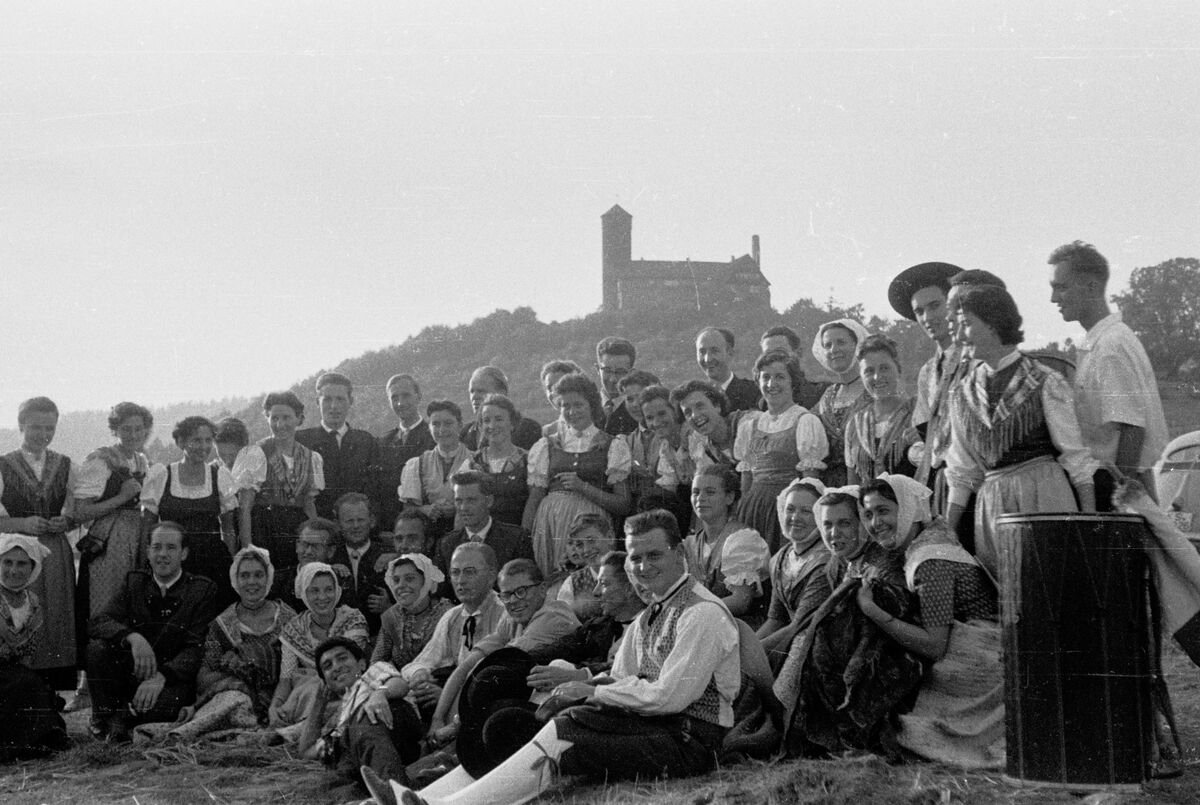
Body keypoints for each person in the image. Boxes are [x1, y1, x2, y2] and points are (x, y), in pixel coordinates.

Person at [365, 509, 740, 805]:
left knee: (566, 731)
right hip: (655, 725)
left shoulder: (701, 612)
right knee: (550, 720)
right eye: (636, 558)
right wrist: (583, 688)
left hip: (691, 741)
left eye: (654, 555)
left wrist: (588, 691)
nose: (643, 567)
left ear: (680, 554)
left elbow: (669, 697)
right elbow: (621, 677)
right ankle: (421, 797)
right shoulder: (651, 612)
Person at [945, 284, 1098, 581]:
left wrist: (1088, 521)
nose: (960, 335)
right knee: (1003, 597)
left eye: (966, 324)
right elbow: (962, 473)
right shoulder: (962, 394)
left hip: (1043, 498)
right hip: (991, 509)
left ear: (991, 324)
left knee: (1051, 590)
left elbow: (1076, 458)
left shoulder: (1044, 380)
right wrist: (947, 531)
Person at [856, 475, 1004, 769]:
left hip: (984, 654)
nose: (875, 523)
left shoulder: (930, 559)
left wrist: (872, 610)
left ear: (911, 509)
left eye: (884, 510)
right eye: (868, 514)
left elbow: (935, 645)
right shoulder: (927, 544)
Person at [772, 490, 922, 758]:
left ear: (861, 526)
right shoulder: (836, 564)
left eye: (844, 524)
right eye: (827, 525)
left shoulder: (881, 563)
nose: (834, 534)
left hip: (885, 655)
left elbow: (900, 613)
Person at [1049, 240, 1169, 507]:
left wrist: (1122, 503)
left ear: (1091, 287)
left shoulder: (1110, 347)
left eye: (1061, 287)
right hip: (1118, 482)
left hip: (1118, 486)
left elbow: (1132, 428)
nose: (1054, 298)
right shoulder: (1103, 342)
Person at [87, 523, 217, 741]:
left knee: (168, 707)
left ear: (184, 554)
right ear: (147, 552)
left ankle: (120, 719)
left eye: (171, 548)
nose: (163, 555)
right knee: (96, 650)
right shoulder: (134, 582)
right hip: (135, 673)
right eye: (156, 547)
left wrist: (162, 676)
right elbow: (99, 621)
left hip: (172, 679)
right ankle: (107, 718)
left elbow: (196, 647)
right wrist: (133, 638)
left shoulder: (201, 590)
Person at [427, 558, 580, 737]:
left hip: (554, 706)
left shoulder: (554, 616)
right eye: (506, 595)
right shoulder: (514, 615)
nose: (513, 601)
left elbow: (493, 667)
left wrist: (453, 725)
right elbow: (470, 665)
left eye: (521, 591)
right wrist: (437, 719)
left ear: (542, 588)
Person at [166, 546, 297, 740]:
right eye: (244, 576)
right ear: (235, 580)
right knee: (235, 701)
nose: (252, 582)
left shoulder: (288, 618)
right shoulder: (223, 624)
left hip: (280, 696)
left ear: (268, 578)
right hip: (238, 695)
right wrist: (235, 673)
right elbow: (203, 678)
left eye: (258, 575)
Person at [0, 396, 79, 690]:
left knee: (55, 615)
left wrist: (67, 522)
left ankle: (53, 695)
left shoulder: (66, 465)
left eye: (50, 427)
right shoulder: (4, 465)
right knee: (19, 615)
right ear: (21, 425)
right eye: (36, 427)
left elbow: (76, 511)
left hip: (54, 552)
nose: (44, 434)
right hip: (15, 553)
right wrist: (22, 524)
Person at [523, 374, 631, 576]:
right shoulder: (547, 444)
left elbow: (623, 503)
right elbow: (535, 496)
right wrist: (523, 539)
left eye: (578, 405)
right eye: (565, 406)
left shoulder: (613, 445)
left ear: (591, 405)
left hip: (592, 526)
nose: (572, 411)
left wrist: (583, 488)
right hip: (550, 524)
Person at [74, 402, 152, 662]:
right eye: (126, 429)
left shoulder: (141, 460)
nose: (133, 435)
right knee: (102, 605)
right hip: (108, 541)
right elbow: (81, 512)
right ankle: (89, 679)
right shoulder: (101, 459)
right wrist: (122, 497)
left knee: (130, 603)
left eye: (138, 429)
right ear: (115, 430)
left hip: (137, 538)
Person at [297, 637, 422, 794]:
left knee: (363, 717)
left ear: (361, 664)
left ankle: (394, 795)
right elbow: (307, 752)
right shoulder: (340, 719)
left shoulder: (372, 673)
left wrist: (380, 694)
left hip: (396, 724)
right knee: (340, 762)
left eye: (342, 658)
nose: (336, 667)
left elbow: (400, 684)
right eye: (327, 666)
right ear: (326, 682)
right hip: (368, 750)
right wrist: (318, 703)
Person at [733, 350, 828, 552]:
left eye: (779, 377)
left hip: (785, 510)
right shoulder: (750, 425)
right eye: (765, 377)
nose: (771, 384)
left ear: (793, 382)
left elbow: (810, 484)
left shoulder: (805, 421)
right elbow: (746, 481)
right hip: (752, 510)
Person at [141, 416, 240, 606]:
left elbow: (228, 528)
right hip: (171, 560)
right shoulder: (162, 475)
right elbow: (148, 527)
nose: (203, 446)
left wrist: (232, 563)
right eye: (196, 440)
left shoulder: (219, 475)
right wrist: (145, 565)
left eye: (208, 440)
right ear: (180, 442)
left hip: (212, 562)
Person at [399, 543, 504, 717]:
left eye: (470, 572)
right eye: (455, 572)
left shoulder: (504, 613)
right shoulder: (453, 617)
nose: (461, 580)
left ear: (492, 576)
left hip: (486, 705)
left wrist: (449, 697)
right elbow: (422, 662)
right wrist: (420, 675)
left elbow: (495, 683)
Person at [887, 262, 963, 500]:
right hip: (941, 481)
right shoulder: (927, 372)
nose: (928, 317)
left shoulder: (975, 359)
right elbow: (919, 436)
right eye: (919, 311)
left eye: (935, 306)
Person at [270, 562, 369, 730]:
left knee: (315, 684)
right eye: (314, 591)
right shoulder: (294, 629)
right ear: (303, 592)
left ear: (337, 590)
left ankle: (301, 730)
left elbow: (352, 672)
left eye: (328, 589)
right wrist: (274, 707)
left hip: (347, 690)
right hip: (309, 696)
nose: (322, 597)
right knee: (308, 683)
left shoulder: (352, 619)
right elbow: (286, 678)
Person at [234, 391, 325, 569]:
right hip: (265, 529)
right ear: (267, 418)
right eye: (274, 418)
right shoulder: (256, 453)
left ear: (299, 419)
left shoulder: (311, 457)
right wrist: (248, 549)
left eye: (286, 418)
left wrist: (316, 541)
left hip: (297, 530)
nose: (280, 424)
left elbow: (308, 504)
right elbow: (245, 507)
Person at [0, 534, 68, 760]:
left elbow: (27, 657)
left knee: (31, 686)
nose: (13, 571)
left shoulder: (34, 603)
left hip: (14, 675)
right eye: (7, 562)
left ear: (33, 568)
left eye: (22, 564)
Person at [756, 479, 831, 658]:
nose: (795, 517)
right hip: (787, 639)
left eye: (806, 511)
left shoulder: (825, 562)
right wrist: (746, 647)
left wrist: (754, 652)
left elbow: (799, 625)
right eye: (790, 509)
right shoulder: (782, 557)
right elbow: (776, 619)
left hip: (815, 647)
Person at [686, 465, 770, 624]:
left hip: (737, 629)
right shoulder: (690, 544)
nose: (700, 498)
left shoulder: (742, 540)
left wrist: (694, 613)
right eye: (696, 492)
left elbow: (741, 602)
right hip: (696, 626)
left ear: (729, 497)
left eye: (710, 492)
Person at [436, 472, 534, 599]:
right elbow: (442, 595)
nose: (463, 508)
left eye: (471, 500)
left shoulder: (517, 539)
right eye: (458, 501)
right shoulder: (447, 544)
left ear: (489, 501)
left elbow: (526, 590)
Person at [297, 373, 379, 520]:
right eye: (327, 399)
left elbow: (375, 491)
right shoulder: (302, 441)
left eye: (340, 399)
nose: (333, 406)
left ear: (350, 401)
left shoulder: (367, 441)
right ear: (317, 402)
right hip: (317, 528)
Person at [844, 335, 919, 485]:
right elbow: (853, 484)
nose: (877, 377)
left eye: (884, 368)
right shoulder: (855, 425)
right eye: (869, 371)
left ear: (898, 369)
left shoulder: (917, 413)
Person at [811, 319, 873, 487]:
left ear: (858, 344)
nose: (834, 350)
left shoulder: (874, 389)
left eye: (841, 342)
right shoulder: (828, 395)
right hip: (830, 487)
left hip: (868, 483)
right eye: (828, 345)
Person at [399, 401, 473, 541]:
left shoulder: (474, 460)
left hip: (464, 535)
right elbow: (407, 508)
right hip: (429, 536)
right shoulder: (418, 463)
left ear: (460, 425)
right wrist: (425, 509)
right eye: (436, 424)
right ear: (429, 428)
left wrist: (457, 508)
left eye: (448, 423)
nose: (441, 430)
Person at [375, 374, 436, 534]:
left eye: (406, 395)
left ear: (419, 396)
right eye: (394, 398)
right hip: (390, 530)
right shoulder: (382, 442)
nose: (400, 403)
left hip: (427, 528)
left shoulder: (434, 437)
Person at [372, 553, 453, 670]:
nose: (401, 585)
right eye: (396, 580)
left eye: (409, 579)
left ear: (426, 581)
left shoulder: (447, 614)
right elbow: (376, 664)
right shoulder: (391, 616)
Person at [659, 380, 737, 496]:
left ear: (717, 406)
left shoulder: (744, 425)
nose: (695, 415)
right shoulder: (703, 445)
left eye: (700, 406)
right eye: (688, 412)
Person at [463, 395, 529, 527]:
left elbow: (533, 504)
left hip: (517, 534)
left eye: (499, 419)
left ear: (512, 423)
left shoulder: (528, 460)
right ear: (481, 426)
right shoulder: (473, 462)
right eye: (486, 421)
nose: (492, 425)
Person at [330, 493, 391, 635]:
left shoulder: (387, 556)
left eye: (361, 520)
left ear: (372, 521)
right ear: (338, 524)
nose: (356, 526)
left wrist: (389, 607)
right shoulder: (331, 557)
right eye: (349, 521)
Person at [460, 367, 542, 451]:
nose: (474, 397)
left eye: (481, 391)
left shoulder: (526, 429)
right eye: (471, 391)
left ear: (502, 393)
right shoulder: (465, 433)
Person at [554, 512, 615, 620]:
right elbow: (563, 625)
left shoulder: (630, 571)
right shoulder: (573, 584)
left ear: (610, 537)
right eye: (579, 545)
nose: (586, 550)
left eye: (591, 540)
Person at [617, 370, 663, 512]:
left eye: (641, 397)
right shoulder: (625, 442)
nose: (636, 404)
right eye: (629, 399)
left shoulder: (671, 434)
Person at [271, 517, 340, 613]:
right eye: (305, 544)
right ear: (297, 545)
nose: (308, 552)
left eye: (316, 546)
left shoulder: (341, 581)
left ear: (330, 551)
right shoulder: (276, 581)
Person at [759, 325, 827, 410]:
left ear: (799, 353)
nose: (774, 357)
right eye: (768, 353)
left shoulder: (822, 394)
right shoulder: (762, 402)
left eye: (780, 351)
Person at [696, 327, 761, 412]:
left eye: (715, 351)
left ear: (730, 353)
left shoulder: (754, 392)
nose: (707, 359)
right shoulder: (695, 397)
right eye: (702, 352)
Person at [595, 336, 639, 436]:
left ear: (631, 373)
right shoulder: (585, 407)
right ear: (597, 369)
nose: (613, 379)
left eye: (620, 372)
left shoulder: (638, 412)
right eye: (607, 371)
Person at [537, 359, 585, 437]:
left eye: (559, 385)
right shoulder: (546, 433)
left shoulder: (597, 425)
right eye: (549, 388)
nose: (554, 392)